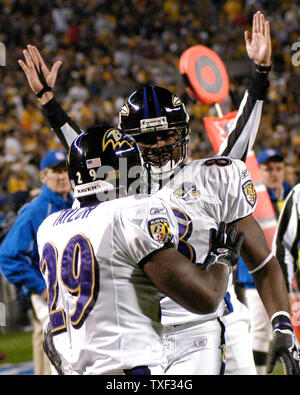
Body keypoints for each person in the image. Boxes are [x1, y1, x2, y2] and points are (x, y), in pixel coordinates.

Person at [20, 11, 300, 375]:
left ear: (183, 132)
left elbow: (239, 142)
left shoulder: (213, 176)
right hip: (146, 332)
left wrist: (259, 76)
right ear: (125, 144)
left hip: (210, 321)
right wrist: (50, 104)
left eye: (168, 133)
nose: (160, 144)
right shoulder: (117, 187)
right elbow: (80, 147)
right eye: (147, 138)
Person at [37, 125, 242, 375]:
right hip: (130, 371)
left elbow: (50, 336)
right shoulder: (131, 212)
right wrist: (222, 257)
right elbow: (206, 298)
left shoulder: (50, 226)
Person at [0, 150, 73, 375]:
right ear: (43, 177)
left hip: (75, 292)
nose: (62, 177)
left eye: (65, 171)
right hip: (48, 297)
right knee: (51, 355)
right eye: (55, 172)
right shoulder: (34, 211)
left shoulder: (76, 204)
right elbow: (8, 256)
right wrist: (41, 288)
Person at [236, 148, 293, 374]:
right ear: (259, 173)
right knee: (261, 330)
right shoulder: (252, 200)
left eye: (278, 169)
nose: (274, 174)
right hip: (259, 277)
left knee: (290, 330)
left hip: (291, 276)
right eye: (268, 169)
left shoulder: (292, 197)